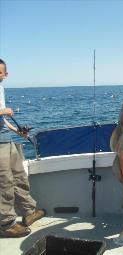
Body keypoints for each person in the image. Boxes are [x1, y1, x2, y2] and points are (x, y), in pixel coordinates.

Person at [0, 58, 45, 238]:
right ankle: (6, 225)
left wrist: (17, 131)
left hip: (6, 140)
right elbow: (2, 113)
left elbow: (2, 120)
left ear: (5, 74)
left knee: (19, 177)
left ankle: (28, 212)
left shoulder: (0, 88)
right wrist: (3, 111)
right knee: (4, 184)